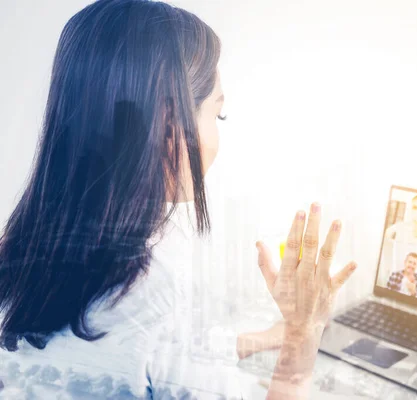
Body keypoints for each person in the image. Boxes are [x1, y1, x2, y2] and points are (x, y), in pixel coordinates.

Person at [0, 1, 357, 399]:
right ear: (171, 126)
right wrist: (302, 335)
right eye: (216, 115)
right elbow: (155, 340)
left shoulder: (21, 260)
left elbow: (145, 355)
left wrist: (266, 337)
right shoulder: (153, 291)